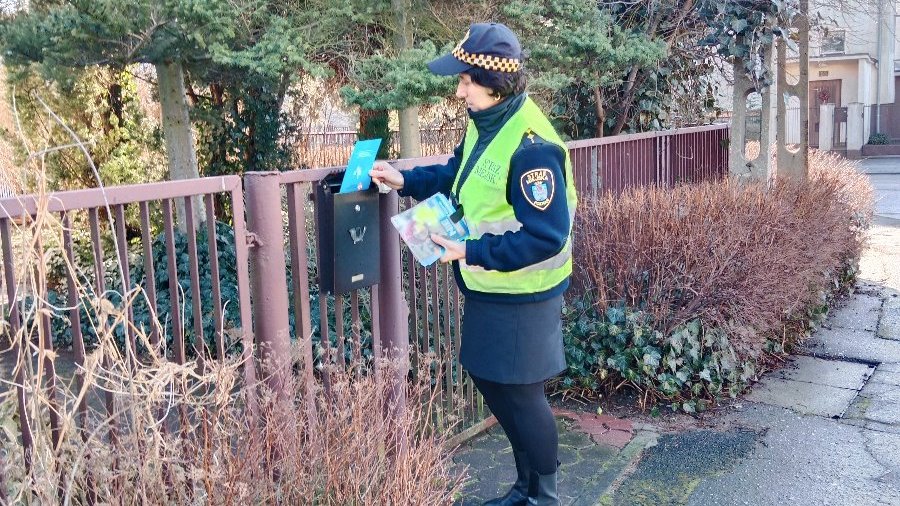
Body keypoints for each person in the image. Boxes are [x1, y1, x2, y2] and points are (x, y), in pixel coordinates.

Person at [369, 22, 577, 506]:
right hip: (489, 285)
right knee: (487, 375)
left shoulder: (532, 147)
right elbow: (455, 176)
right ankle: (524, 486)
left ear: (494, 83)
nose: (458, 88)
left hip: (525, 291)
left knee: (522, 393)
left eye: (465, 79)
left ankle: (543, 495)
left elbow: (547, 236)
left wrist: (472, 251)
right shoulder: (484, 122)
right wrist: (405, 178)